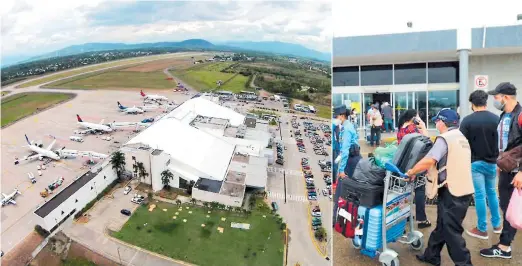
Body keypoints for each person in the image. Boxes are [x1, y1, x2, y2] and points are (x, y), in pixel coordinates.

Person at [406, 108, 474, 266]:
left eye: (437, 120)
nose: (435, 123)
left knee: (452, 232)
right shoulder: (461, 137)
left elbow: (430, 160)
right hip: (462, 188)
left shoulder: (445, 139)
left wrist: (412, 171)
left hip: (452, 192)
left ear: (442, 122)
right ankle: (432, 255)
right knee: (443, 224)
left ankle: (465, 263)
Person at [480, 82, 522, 259]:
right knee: (509, 208)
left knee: (511, 209)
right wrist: (499, 164)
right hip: (507, 169)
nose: (494, 101)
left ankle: (504, 247)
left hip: (517, 172)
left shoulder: (520, 115)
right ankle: (504, 244)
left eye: (496, 97)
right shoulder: (504, 115)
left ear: (505, 97)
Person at [459, 90, 502, 240]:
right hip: (492, 162)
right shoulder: (496, 119)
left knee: (479, 195)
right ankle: (497, 225)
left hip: (475, 163)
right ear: (485, 102)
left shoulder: (467, 121)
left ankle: (482, 228)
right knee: (492, 193)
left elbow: (461, 144)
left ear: (472, 104)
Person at [396, 109, 431, 229]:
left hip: (404, 166)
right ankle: (422, 219)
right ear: (413, 118)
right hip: (416, 164)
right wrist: (424, 126)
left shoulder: (401, 129)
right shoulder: (413, 129)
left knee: (405, 192)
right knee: (419, 190)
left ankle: (405, 217)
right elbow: (427, 142)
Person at [332, 105, 359, 226]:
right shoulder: (346, 126)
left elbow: (345, 151)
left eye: (336, 116)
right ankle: (345, 218)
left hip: (350, 161)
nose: (335, 118)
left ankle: (337, 220)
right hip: (353, 159)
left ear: (342, 116)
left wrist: (341, 170)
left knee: (340, 191)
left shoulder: (346, 129)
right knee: (348, 192)